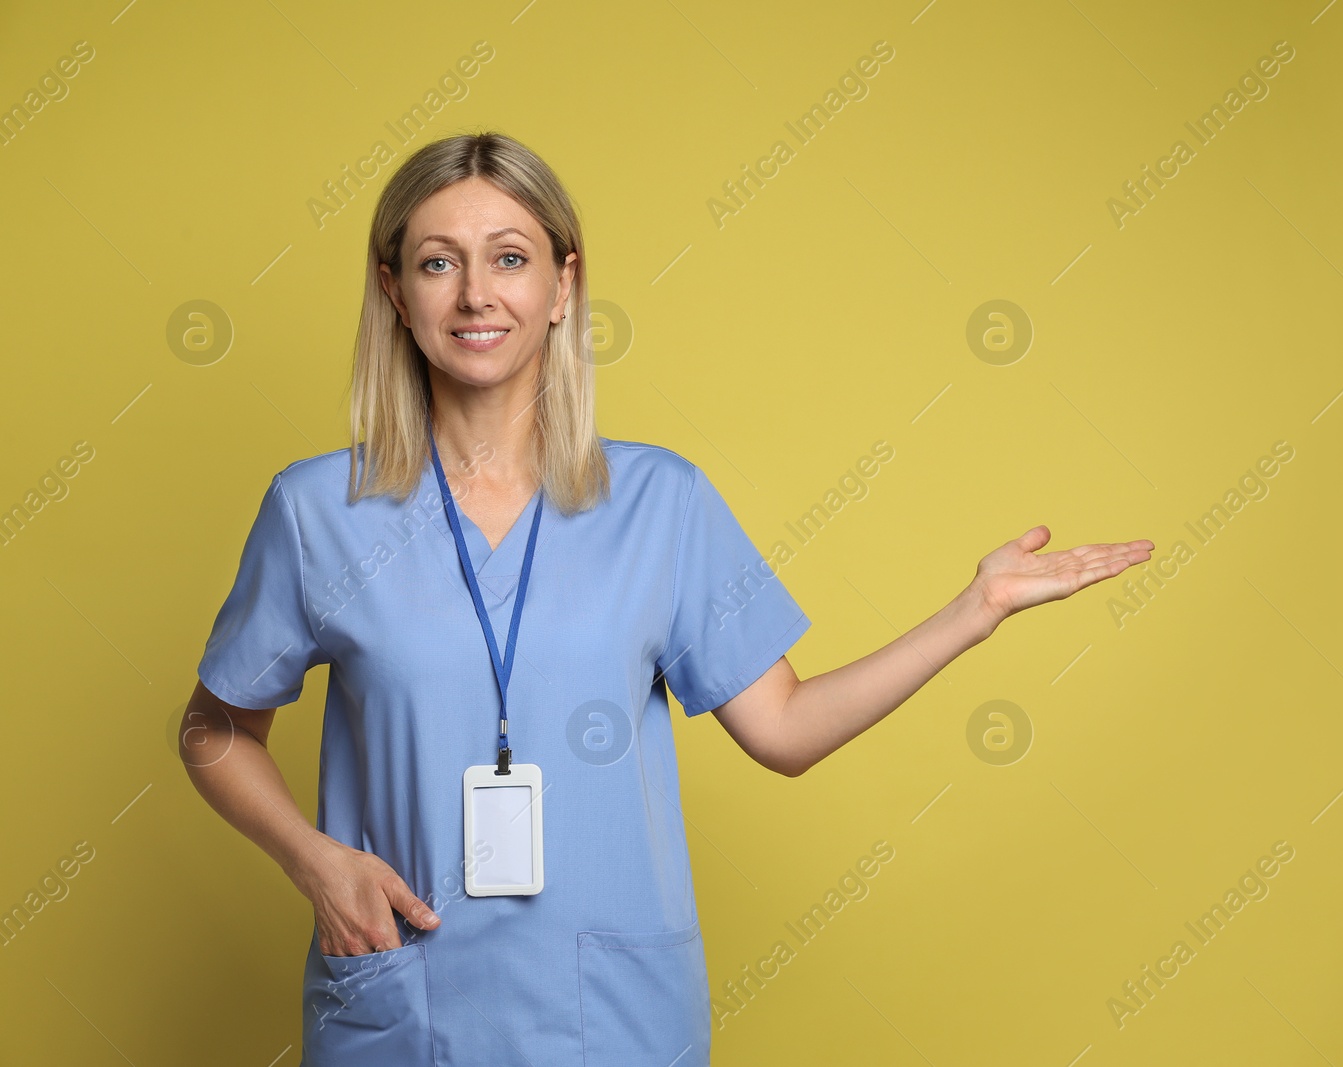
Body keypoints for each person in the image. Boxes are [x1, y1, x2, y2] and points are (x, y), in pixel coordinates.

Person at [179, 130, 1153, 1067]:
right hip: (404, 1007)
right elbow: (213, 730)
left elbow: (786, 729)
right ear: (393, 290)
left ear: (563, 286)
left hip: (616, 1023)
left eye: (509, 257)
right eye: (439, 263)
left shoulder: (660, 502)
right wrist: (313, 859)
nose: (477, 293)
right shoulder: (316, 510)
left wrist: (969, 612)